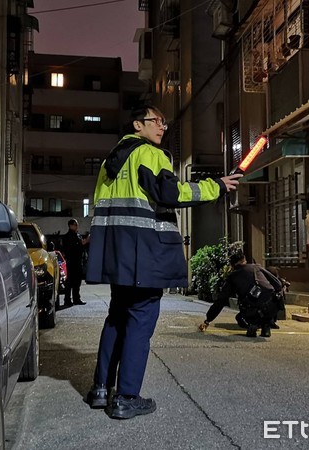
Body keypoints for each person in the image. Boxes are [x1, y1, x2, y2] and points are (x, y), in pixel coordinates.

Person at [84, 103, 243, 419]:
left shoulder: (110, 163)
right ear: (137, 125)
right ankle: (127, 396)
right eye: (156, 121)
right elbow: (171, 193)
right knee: (141, 319)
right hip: (145, 253)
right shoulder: (150, 154)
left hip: (118, 254)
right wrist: (216, 186)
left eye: (164, 122)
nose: (162, 127)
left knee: (117, 317)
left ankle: (101, 390)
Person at [198, 249, 282, 338]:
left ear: (232, 264)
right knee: (269, 299)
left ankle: (252, 324)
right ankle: (266, 326)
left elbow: (221, 300)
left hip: (252, 310)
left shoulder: (233, 277)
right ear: (244, 259)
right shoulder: (256, 267)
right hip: (272, 307)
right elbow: (278, 285)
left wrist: (208, 320)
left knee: (240, 316)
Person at [62, 218, 89, 306]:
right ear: (71, 226)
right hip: (74, 261)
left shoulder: (74, 235)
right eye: (75, 225)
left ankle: (73, 299)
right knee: (72, 281)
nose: (77, 226)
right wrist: (86, 240)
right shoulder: (71, 236)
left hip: (74, 261)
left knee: (75, 281)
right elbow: (80, 245)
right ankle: (71, 299)